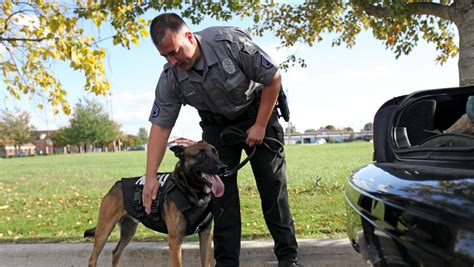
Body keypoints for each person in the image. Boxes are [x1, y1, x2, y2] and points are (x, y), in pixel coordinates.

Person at [142, 13, 300, 266]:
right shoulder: (170, 77)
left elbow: (273, 79)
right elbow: (160, 127)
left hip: (258, 113)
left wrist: (259, 125)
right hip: (217, 128)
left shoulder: (229, 44)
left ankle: (288, 256)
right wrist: (150, 177)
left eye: (174, 52)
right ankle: (226, 263)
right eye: (165, 56)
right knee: (221, 196)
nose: (172, 61)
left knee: (272, 187)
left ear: (189, 37)